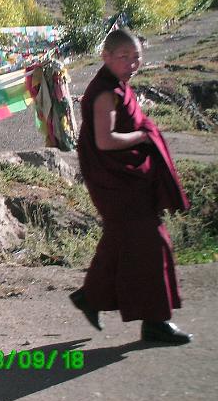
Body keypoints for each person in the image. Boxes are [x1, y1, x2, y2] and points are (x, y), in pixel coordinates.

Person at [69, 28, 192, 344]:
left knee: (121, 239)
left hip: (125, 178)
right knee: (152, 243)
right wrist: (144, 136)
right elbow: (105, 140)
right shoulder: (106, 93)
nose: (131, 63)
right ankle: (155, 322)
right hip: (117, 182)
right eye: (124, 57)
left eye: (136, 57)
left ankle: (90, 296)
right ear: (106, 57)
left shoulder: (117, 84)